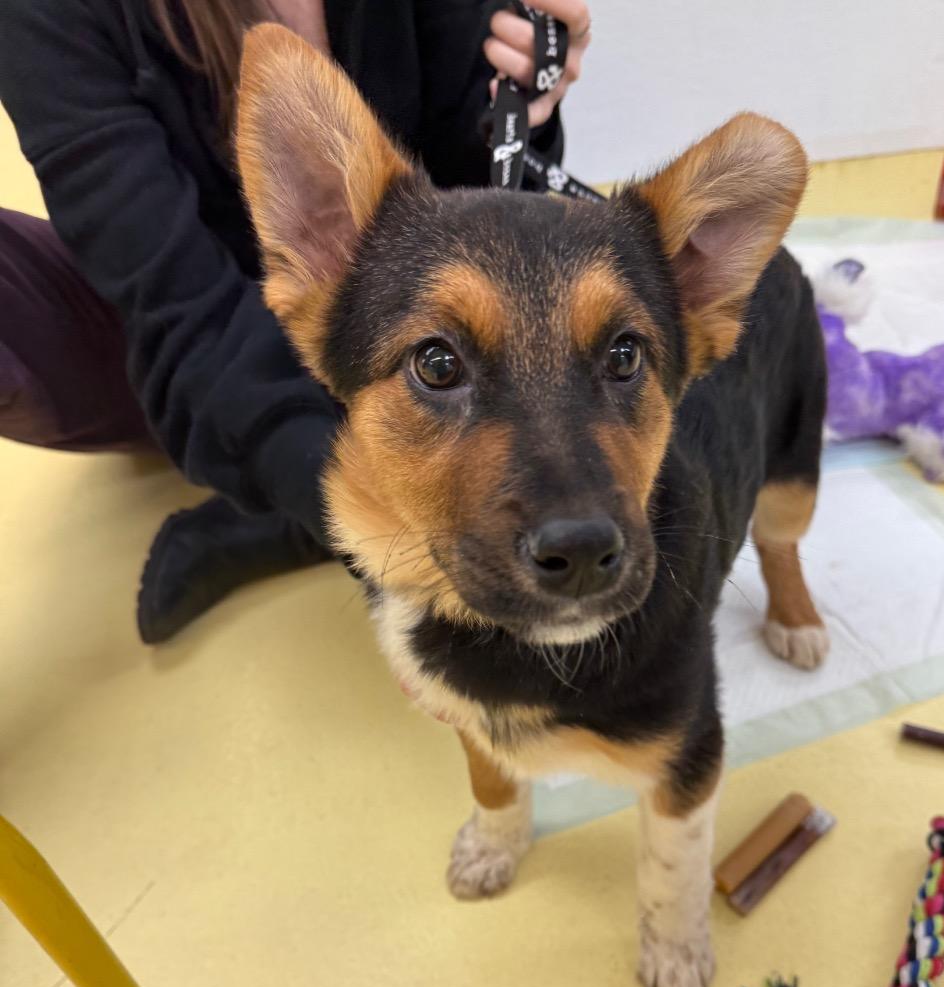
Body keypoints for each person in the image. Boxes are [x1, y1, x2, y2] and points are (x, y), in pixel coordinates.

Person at [0, 0, 591, 643]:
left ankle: (296, 503)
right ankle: (290, 501)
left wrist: (519, 108)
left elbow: (485, 220)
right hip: (160, 341)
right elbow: (181, 315)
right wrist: (385, 557)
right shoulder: (45, 17)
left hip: (404, 346)